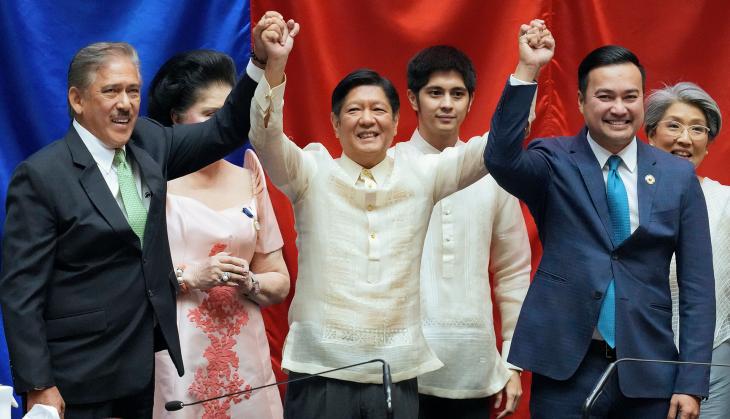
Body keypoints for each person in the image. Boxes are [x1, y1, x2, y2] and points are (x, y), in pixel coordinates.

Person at [0, 14, 278, 415]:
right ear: (77, 100)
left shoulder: (148, 141)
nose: (125, 104)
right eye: (111, 91)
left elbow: (223, 130)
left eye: (133, 91)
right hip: (76, 376)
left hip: (139, 371)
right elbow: (21, 292)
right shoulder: (42, 175)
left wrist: (258, 62)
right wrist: (39, 384)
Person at [483, 21, 715, 419]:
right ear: (580, 101)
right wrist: (527, 71)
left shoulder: (677, 177)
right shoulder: (553, 160)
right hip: (567, 366)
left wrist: (691, 383)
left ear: (643, 102)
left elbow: (697, 287)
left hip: (649, 367)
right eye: (604, 96)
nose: (618, 108)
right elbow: (501, 158)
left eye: (630, 97)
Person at [146, 49, 289, 419]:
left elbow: (280, 281)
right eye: (211, 115)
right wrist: (189, 276)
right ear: (176, 119)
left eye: (227, 115)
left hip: (244, 355)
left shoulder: (249, 175)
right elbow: (124, 281)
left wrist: (251, 282)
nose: (221, 126)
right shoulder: (150, 179)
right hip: (177, 353)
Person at [397, 45, 530, 419]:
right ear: (412, 98)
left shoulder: (492, 176)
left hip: (474, 368)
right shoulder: (389, 167)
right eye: (434, 92)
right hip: (399, 369)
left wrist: (512, 361)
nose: (446, 104)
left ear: (471, 102)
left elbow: (513, 270)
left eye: (457, 94)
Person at [644, 82, 729, 419]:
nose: (686, 139)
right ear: (650, 134)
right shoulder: (626, 197)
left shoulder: (724, 202)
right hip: (638, 357)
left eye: (698, 129)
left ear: (708, 144)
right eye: (674, 125)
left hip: (713, 358)